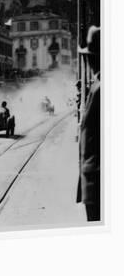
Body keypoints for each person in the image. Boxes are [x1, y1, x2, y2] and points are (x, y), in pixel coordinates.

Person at [77, 26, 101, 221]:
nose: (89, 61)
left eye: (90, 56)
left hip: (98, 184)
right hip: (93, 182)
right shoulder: (98, 86)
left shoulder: (102, 88)